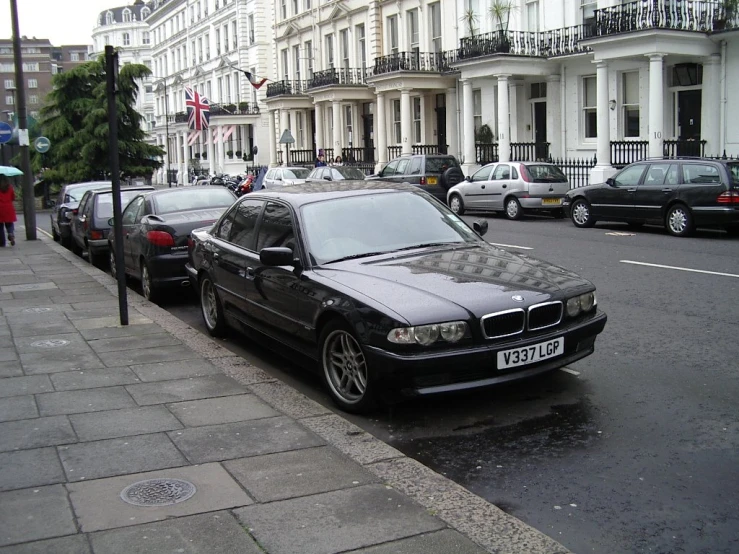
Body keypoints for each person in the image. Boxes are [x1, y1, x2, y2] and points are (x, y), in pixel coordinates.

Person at [0, 176, 17, 247]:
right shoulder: (10, 187)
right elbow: (13, 197)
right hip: (9, 208)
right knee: (9, 223)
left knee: (0, 227)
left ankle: (2, 242)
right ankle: (10, 233)